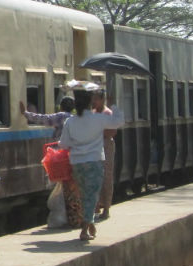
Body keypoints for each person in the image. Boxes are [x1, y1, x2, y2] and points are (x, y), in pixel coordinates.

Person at [58, 86, 124, 242]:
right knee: (92, 196)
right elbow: (119, 121)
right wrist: (114, 105)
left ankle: (89, 223)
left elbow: (64, 144)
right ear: (89, 102)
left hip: (77, 163)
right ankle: (84, 229)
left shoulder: (70, 121)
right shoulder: (98, 118)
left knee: (83, 195)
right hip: (94, 161)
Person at [21, 96, 81, 228]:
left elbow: (44, 119)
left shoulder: (62, 116)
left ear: (61, 107)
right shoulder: (75, 119)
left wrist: (25, 114)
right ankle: (72, 217)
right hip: (74, 157)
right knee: (70, 190)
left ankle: (62, 218)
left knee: (60, 187)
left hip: (61, 158)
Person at [92, 88, 118, 221]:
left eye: (96, 98)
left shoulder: (108, 113)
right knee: (95, 177)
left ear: (102, 99)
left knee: (106, 177)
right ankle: (96, 207)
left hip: (106, 145)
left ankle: (106, 208)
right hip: (94, 147)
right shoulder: (92, 113)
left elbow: (112, 132)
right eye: (93, 98)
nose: (93, 101)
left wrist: (98, 132)